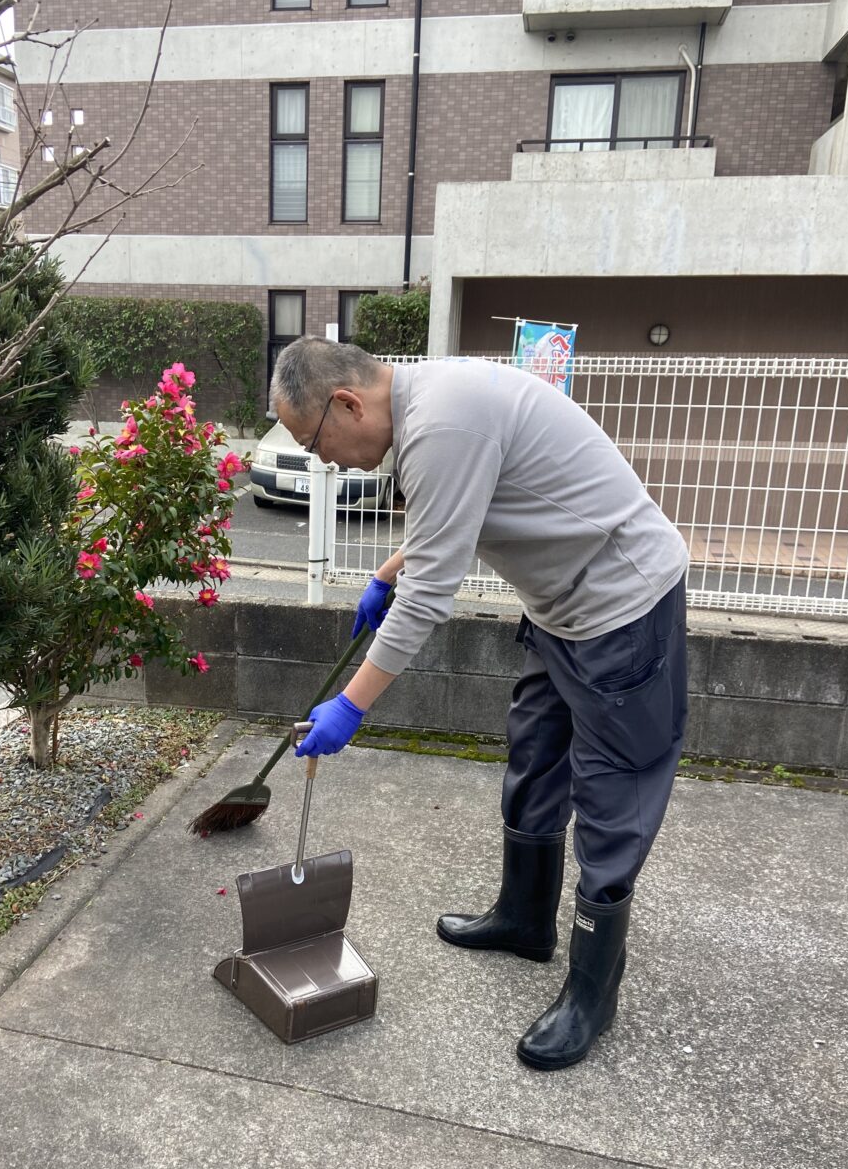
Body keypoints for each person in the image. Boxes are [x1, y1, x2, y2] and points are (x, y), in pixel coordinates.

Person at [271, 337, 689, 1071]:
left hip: (621, 607)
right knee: (536, 753)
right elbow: (452, 518)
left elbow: (431, 596)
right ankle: (525, 920)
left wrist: (350, 706)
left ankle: (593, 993)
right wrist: (388, 572)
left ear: (346, 403)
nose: (325, 461)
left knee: (611, 793)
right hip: (560, 606)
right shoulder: (427, 406)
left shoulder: (441, 422)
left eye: (315, 443)